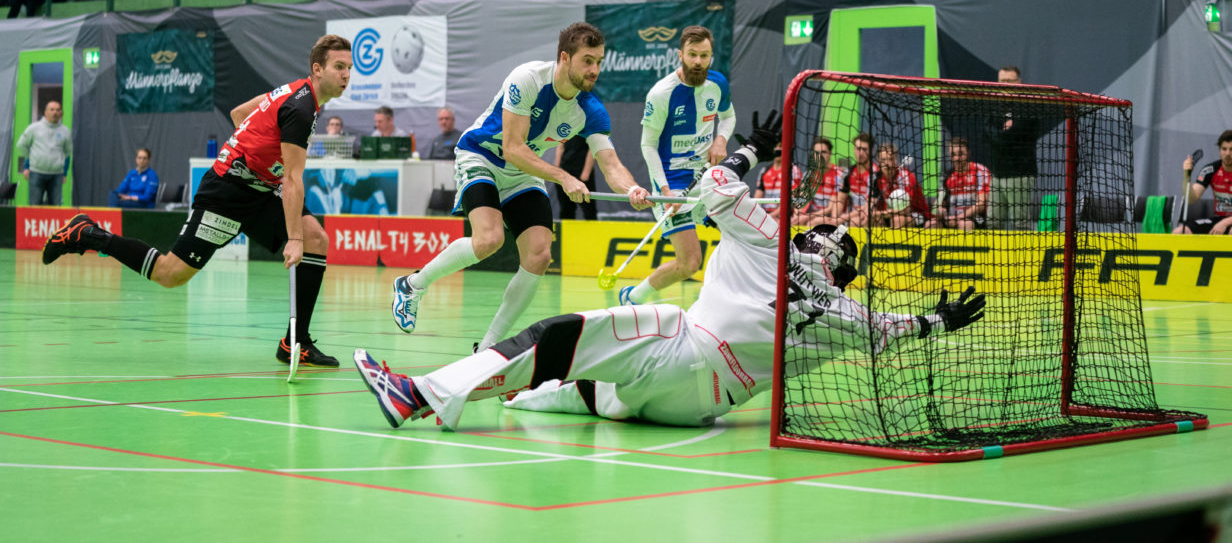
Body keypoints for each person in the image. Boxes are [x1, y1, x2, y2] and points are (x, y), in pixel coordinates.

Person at [354, 110, 986, 432]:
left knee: (556, 340)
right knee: (582, 384)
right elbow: (889, 329)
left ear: (818, 245)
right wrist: (937, 319)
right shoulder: (843, 314)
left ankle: (421, 393)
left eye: (822, 232)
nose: (815, 228)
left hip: (682, 346)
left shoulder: (772, 246)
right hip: (700, 409)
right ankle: (494, 391)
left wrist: (750, 151)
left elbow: (713, 183)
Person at [40, 34, 355, 369]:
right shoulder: (301, 107)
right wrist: (292, 239)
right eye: (339, 67)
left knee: (317, 239)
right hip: (226, 193)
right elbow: (292, 180)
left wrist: (256, 151)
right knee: (169, 274)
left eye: (349, 67)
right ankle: (87, 234)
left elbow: (239, 115)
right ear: (317, 69)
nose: (346, 74)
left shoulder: (297, 92)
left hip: (258, 188)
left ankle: (296, 343)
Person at [389, 22, 650, 350]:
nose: (595, 69)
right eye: (587, 60)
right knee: (489, 239)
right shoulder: (527, 78)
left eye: (599, 61)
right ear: (565, 58)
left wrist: (632, 189)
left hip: (522, 173)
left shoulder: (591, 110)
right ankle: (412, 285)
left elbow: (611, 165)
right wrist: (564, 177)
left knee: (539, 255)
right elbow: (513, 147)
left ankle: (488, 347)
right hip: (482, 156)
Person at [621, 26, 736, 306]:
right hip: (671, 184)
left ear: (711, 56)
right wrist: (664, 190)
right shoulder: (662, 93)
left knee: (740, 235)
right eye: (692, 55)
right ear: (680, 54)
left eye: (704, 55)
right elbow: (648, 145)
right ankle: (634, 297)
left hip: (707, 180)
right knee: (689, 263)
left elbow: (729, 117)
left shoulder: (718, 83)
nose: (698, 61)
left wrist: (720, 139)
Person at [986, 65, 1039, 230]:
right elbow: (985, 132)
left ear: (1019, 82)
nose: (1005, 85)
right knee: (993, 223)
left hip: (1020, 174)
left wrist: (1000, 135)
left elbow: (1012, 137)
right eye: (1002, 81)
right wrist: (1002, 133)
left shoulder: (1028, 106)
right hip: (997, 174)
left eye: (1009, 81)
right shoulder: (994, 107)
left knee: (1021, 224)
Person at [1173, 130, 1232, 234]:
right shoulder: (1211, 170)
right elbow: (1191, 199)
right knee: (1179, 232)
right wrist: (1187, 176)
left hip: (1227, 222)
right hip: (1218, 219)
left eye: (1231, 149)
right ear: (1219, 150)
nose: (1227, 153)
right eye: (1224, 149)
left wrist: (1225, 223)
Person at [16, 100, 72, 206]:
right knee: (34, 205)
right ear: (45, 112)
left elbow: (67, 153)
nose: (55, 112)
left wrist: (64, 173)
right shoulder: (34, 128)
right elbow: (21, 145)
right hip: (36, 172)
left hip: (56, 175)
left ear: (61, 113)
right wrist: (29, 163)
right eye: (52, 109)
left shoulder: (65, 131)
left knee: (56, 207)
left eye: (58, 110)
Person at [927, 137, 991, 231]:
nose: (956, 158)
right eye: (953, 155)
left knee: (964, 224)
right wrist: (941, 213)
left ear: (968, 153)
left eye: (960, 154)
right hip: (952, 218)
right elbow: (937, 206)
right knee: (930, 224)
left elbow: (981, 204)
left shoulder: (980, 171)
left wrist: (960, 217)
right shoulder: (947, 176)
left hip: (976, 218)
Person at [868, 143, 929, 230]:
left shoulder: (906, 176)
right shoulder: (875, 179)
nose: (887, 164)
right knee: (871, 220)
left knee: (898, 219)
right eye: (883, 160)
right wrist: (881, 213)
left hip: (916, 214)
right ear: (878, 161)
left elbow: (905, 210)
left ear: (896, 159)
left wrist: (882, 213)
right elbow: (870, 210)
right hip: (888, 215)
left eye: (891, 159)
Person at [801, 137, 849, 227]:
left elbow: (830, 208)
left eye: (823, 152)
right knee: (795, 221)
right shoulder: (809, 174)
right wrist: (799, 215)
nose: (820, 155)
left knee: (812, 222)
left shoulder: (839, 174)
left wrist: (807, 217)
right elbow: (802, 200)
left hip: (833, 217)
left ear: (830, 153)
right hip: (813, 215)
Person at [754, 142, 804, 222]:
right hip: (766, 214)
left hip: (784, 217)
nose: (777, 149)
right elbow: (757, 198)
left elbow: (791, 201)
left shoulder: (793, 170)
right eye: (775, 146)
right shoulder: (764, 171)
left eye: (781, 146)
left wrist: (769, 217)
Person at [554, 134, 597, 220]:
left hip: (582, 173)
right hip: (564, 172)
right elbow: (560, 146)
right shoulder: (566, 126)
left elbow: (592, 149)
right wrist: (557, 169)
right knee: (566, 208)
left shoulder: (588, 125)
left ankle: (593, 232)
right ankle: (567, 233)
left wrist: (586, 172)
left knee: (589, 209)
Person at [837, 132, 875, 227]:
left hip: (871, 216)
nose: (861, 153)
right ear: (854, 149)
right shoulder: (848, 172)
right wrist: (834, 219)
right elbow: (840, 200)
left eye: (864, 149)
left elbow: (868, 207)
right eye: (858, 149)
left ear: (871, 151)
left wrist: (842, 219)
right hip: (852, 215)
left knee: (855, 222)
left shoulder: (876, 173)